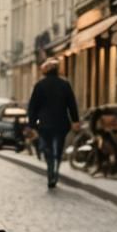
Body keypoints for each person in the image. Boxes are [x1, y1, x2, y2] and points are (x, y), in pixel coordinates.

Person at [28, 58, 80, 189]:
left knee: (47, 149)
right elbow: (72, 105)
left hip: (45, 124)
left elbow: (33, 107)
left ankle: (50, 172)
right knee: (59, 147)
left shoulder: (39, 85)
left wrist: (32, 124)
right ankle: (56, 170)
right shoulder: (65, 84)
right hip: (61, 122)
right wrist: (75, 120)